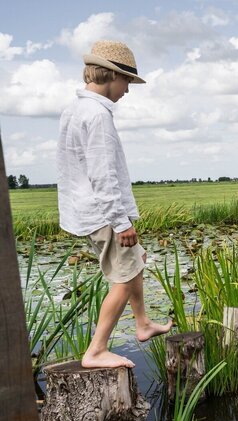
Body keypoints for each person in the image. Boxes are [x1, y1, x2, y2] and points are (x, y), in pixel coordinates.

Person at [57, 40, 172, 368]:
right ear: (111, 75)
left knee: (136, 261)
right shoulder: (97, 116)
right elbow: (103, 175)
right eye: (127, 81)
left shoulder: (75, 109)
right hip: (104, 214)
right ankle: (96, 350)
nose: (128, 89)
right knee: (122, 280)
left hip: (89, 210)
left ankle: (142, 323)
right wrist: (121, 223)